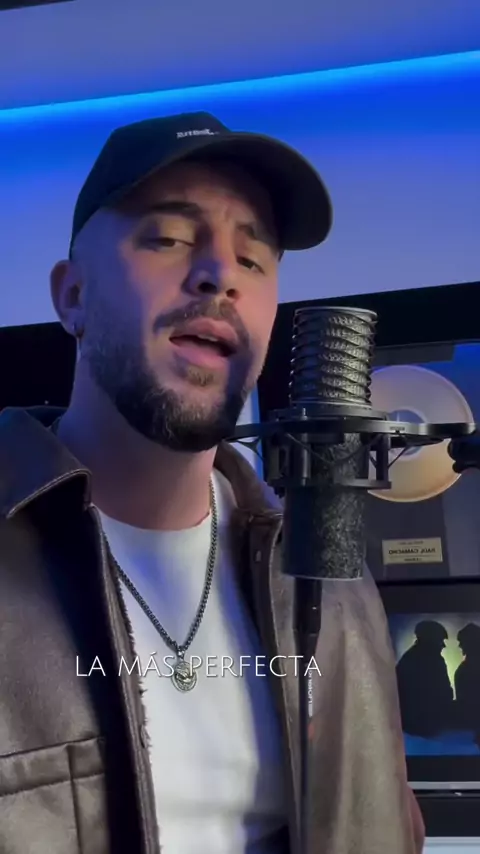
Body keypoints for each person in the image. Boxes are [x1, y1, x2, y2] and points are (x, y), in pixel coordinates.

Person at [0, 111, 424, 854]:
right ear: (72, 296)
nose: (220, 275)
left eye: (253, 259)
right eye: (167, 237)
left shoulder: (326, 576)